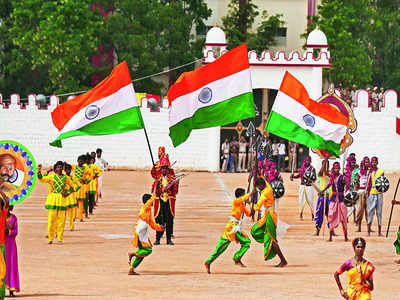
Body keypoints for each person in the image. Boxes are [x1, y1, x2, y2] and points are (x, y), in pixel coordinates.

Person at [204, 188, 252, 274]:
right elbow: (243, 198)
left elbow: (249, 214)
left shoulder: (242, 205)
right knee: (221, 248)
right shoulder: (236, 202)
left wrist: (252, 206)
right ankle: (209, 261)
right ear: (241, 195)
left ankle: (237, 258)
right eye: (244, 195)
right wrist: (252, 193)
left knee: (246, 242)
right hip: (231, 228)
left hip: (236, 228)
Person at [250, 178, 288, 267]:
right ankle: (268, 241)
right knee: (254, 230)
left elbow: (258, 205)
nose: (258, 188)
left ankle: (283, 260)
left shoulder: (266, 193)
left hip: (270, 217)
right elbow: (262, 178)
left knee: (272, 239)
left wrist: (251, 207)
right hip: (268, 215)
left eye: (258, 187)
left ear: (261, 186)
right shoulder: (267, 185)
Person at [128, 194, 165, 275]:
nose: (152, 203)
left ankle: (131, 269)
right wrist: (154, 197)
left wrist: (160, 228)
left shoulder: (148, 211)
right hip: (141, 231)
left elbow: (152, 224)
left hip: (143, 231)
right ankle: (133, 254)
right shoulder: (145, 207)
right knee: (148, 250)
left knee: (142, 253)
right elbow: (148, 203)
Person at [38, 161, 72, 244]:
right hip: (52, 200)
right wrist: (39, 170)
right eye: (58, 167)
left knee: (61, 221)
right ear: (55, 169)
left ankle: (60, 238)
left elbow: (75, 186)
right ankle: (50, 238)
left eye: (61, 167)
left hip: (62, 200)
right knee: (51, 220)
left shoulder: (66, 178)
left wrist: (68, 193)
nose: (60, 168)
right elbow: (41, 179)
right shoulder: (51, 177)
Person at [320, 162, 348, 242]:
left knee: (344, 219)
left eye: (338, 168)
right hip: (333, 200)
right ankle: (330, 237)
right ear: (333, 169)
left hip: (342, 200)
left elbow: (348, 185)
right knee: (330, 216)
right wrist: (323, 190)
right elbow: (329, 184)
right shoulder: (332, 177)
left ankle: (346, 236)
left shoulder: (343, 177)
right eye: (335, 168)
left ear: (339, 169)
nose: (336, 170)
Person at [153, 158, 178, 245]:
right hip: (160, 202)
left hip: (169, 202)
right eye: (162, 168)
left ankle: (168, 239)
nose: (164, 170)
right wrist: (157, 186)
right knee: (159, 220)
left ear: (168, 169)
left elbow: (175, 192)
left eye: (165, 168)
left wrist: (173, 185)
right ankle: (158, 239)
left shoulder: (172, 179)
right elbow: (154, 191)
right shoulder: (157, 178)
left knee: (169, 220)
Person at [366, 157, 384, 236]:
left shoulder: (381, 172)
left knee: (379, 212)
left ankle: (379, 232)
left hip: (379, 193)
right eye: (372, 162)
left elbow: (383, 183)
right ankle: (368, 231)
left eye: (375, 162)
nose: (374, 163)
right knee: (370, 212)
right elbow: (368, 184)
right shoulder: (369, 172)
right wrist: (367, 193)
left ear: (377, 163)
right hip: (372, 193)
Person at [5, 206, 19, 296]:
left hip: (11, 245)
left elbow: (15, 231)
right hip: (2, 244)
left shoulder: (14, 218)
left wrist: (9, 231)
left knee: (12, 265)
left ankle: (11, 289)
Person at [72, 155, 92, 222]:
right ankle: (73, 217)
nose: (80, 162)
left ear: (84, 162)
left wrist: (87, 181)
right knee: (74, 203)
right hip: (74, 187)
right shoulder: (74, 167)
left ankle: (80, 217)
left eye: (82, 161)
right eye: (79, 161)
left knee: (81, 203)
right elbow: (67, 167)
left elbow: (91, 174)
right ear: (77, 161)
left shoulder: (86, 169)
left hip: (81, 187)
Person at [314, 158, 330, 236]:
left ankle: (331, 231)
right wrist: (326, 159)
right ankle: (318, 231)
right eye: (324, 164)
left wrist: (327, 170)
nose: (325, 166)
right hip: (321, 196)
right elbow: (321, 171)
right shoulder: (320, 174)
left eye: (327, 164)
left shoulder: (330, 174)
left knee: (330, 214)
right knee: (319, 214)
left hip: (328, 196)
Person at [354, 157, 370, 232]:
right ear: (363, 163)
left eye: (368, 162)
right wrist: (355, 191)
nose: (367, 163)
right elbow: (356, 182)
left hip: (368, 192)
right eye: (366, 162)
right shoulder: (360, 172)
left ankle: (368, 228)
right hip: (361, 191)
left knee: (368, 210)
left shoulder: (370, 172)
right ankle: (359, 227)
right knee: (360, 210)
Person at [0, 184, 9, 299]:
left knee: (2, 272)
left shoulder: (3, 214)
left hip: (1, 245)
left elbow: (6, 201)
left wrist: (1, 192)